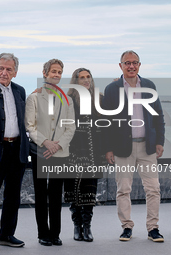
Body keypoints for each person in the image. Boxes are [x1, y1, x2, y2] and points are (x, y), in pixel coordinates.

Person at [103, 50, 165, 242]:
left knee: (153, 188)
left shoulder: (149, 86)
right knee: (123, 189)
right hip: (123, 148)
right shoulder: (112, 89)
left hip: (147, 147)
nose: (131, 66)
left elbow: (158, 116)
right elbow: (106, 121)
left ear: (139, 65)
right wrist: (108, 148)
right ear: (120, 66)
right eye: (127, 63)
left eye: (135, 62)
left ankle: (153, 228)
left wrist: (160, 141)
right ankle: (127, 227)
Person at [25, 59, 75, 246]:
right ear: (45, 73)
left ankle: (55, 233)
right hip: (40, 152)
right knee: (40, 193)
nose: (56, 74)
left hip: (60, 153)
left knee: (56, 194)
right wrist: (45, 142)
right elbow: (29, 126)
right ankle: (42, 233)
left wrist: (58, 145)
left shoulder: (67, 100)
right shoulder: (34, 98)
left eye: (59, 72)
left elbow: (71, 127)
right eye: (53, 71)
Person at [0, 53, 29, 248]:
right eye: (1, 68)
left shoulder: (20, 91)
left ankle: (6, 235)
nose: (4, 72)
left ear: (15, 72)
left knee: (13, 195)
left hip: (16, 149)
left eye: (9, 69)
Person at [64, 68, 105, 242]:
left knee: (89, 190)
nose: (86, 80)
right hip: (72, 150)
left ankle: (87, 226)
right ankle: (76, 225)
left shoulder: (99, 99)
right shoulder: (68, 100)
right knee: (73, 189)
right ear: (76, 81)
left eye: (88, 77)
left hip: (93, 151)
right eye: (82, 78)